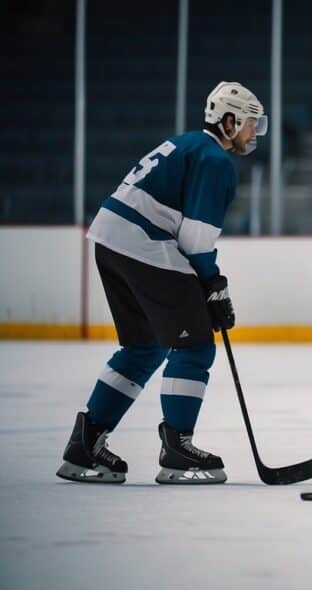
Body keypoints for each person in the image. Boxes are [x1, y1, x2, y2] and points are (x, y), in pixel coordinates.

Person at [56, 82, 267, 485]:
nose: (252, 134)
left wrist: (210, 286)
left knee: (143, 346)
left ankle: (86, 443)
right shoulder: (214, 160)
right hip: (143, 245)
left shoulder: (186, 144)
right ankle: (177, 450)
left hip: (109, 241)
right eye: (249, 125)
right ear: (229, 121)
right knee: (195, 344)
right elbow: (196, 240)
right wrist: (213, 284)